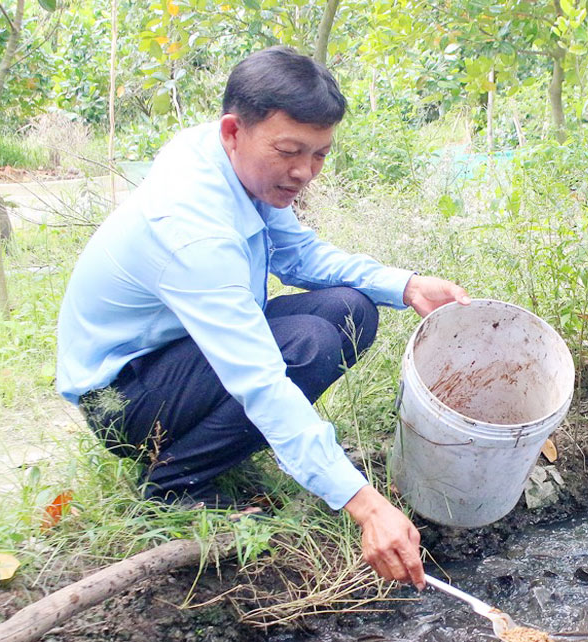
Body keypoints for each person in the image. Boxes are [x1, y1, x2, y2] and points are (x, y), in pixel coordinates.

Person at [56, 46, 463, 589]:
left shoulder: (240, 165)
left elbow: (300, 256)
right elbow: (259, 380)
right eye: (290, 151)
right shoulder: (193, 227)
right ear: (232, 131)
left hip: (180, 356)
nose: (304, 173)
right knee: (307, 343)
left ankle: (218, 453)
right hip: (124, 398)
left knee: (351, 310)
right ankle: (174, 481)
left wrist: (405, 284)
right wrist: (365, 506)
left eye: (319, 154)